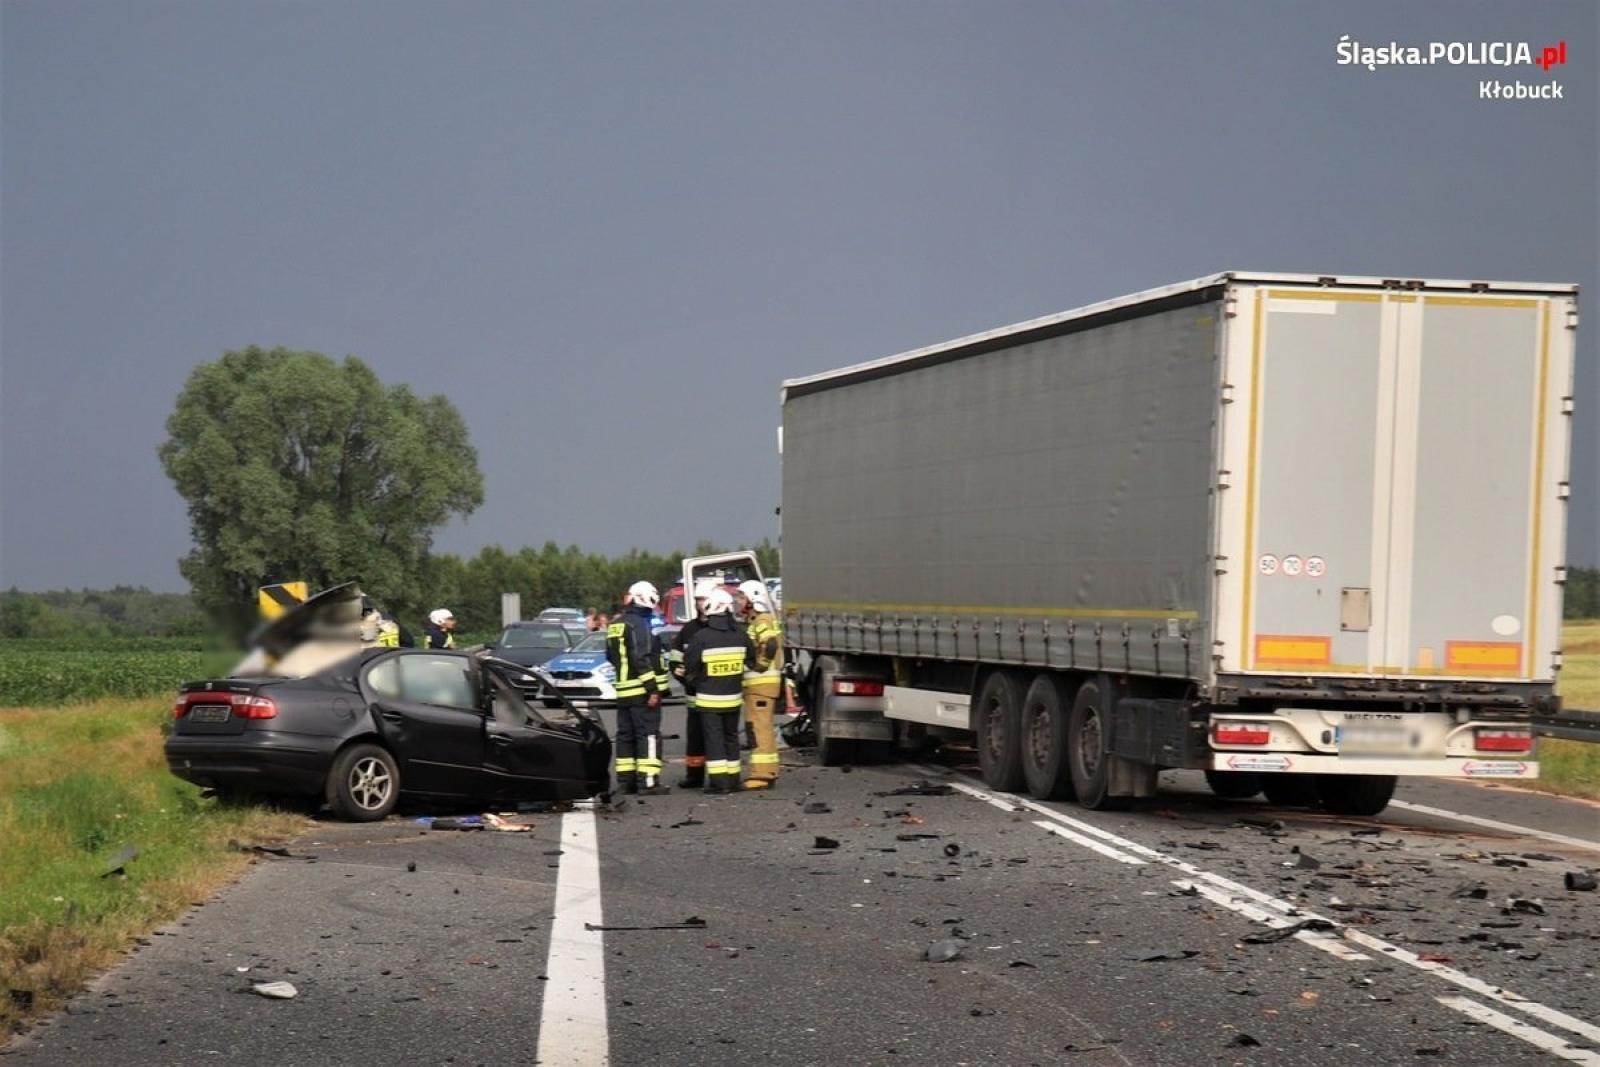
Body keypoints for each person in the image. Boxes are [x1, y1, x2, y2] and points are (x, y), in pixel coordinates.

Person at [682, 587, 751, 794]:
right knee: (731, 738)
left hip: (709, 699)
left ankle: (719, 783)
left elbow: (690, 665)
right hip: (733, 698)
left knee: (714, 740)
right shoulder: (741, 635)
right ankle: (733, 780)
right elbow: (750, 662)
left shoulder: (702, 636)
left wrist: (696, 680)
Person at [606, 581, 666, 795]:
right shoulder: (639, 624)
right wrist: (652, 688)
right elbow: (642, 657)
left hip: (623, 690)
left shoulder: (615, 625)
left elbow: (610, 657)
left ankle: (625, 781)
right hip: (640, 690)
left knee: (625, 735)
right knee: (648, 734)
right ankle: (648, 782)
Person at [669, 578, 720, 788]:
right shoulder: (688, 629)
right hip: (694, 696)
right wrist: (681, 674)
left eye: (704, 599)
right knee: (696, 738)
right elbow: (675, 656)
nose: (701, 603)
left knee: (718, 738)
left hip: (717, 694)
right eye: (698, 599)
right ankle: (694, 776)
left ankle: (721, 778)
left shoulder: (724, 629)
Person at [736, 579, 784, 790]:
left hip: (760, 686)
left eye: (741, 597)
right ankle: (767, 771)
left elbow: (770, 644)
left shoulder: (761, 620)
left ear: (753, 599)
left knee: (758, 729)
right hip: (763, 687)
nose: (738, 601)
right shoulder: (760, 619)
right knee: (761, 727)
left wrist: (760, 666)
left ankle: (762, 774)